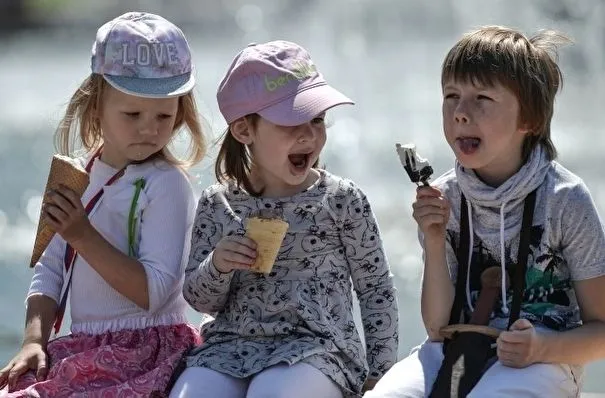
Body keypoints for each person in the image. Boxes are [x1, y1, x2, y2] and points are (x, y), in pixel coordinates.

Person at [365, 26, 605, 398]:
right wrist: (433, 237)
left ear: (530, 119)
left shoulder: (564, 199)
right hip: (454, 347)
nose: (461, 113)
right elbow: (437, 327)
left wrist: (542, 347)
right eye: (451, 96)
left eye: (482, 98)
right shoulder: (444, 195)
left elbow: (601, 331)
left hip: (543, 360)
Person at [169, 40, 399, 398]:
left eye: (318, 119)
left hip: (318, 350)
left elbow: (375, 290)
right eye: (291, 121)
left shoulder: (342, 200)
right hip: (229, 347)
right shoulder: (218, 202)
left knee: (272, 393)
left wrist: (381, 375)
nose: (309, 133)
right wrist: (218, 265)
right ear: (245, 130)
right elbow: (200, 300)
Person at [0, 11, 206, 397]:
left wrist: (81, 234)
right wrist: (33, 340)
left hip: (148, 350)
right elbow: (50, 268)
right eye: (132, 114)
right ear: (95, 106)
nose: (149, 128)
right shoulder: (78, 175)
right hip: (88, 346)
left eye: (164, 115)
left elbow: (155, 291)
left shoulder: (167, 185)